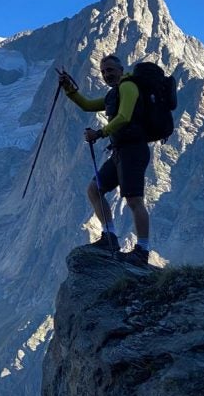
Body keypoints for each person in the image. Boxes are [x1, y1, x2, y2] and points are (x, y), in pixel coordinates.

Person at [59, 55, 151, 266]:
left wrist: (99, 133)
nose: (106, 74)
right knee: (94, 189)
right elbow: (88, 105)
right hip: (120, 152)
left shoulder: (128, 87)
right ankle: (109, 237)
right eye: (103, 71)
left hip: (133, 151)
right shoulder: (114, 94)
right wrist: (69, 89)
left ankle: (142, 251)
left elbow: (125, 116)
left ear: (121, 69)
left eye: (110, 70)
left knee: (134, 200)